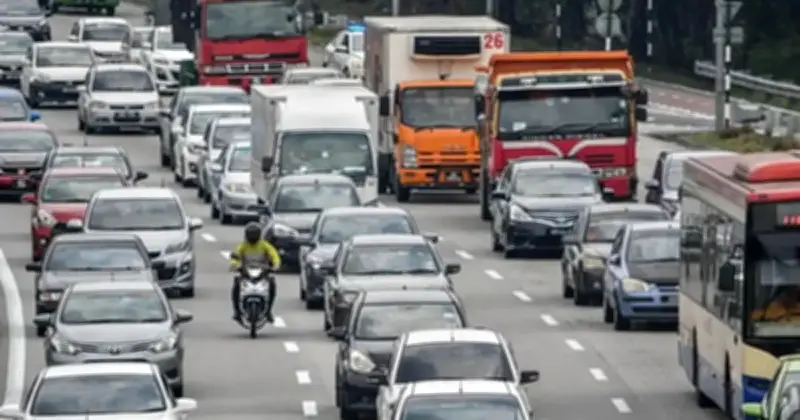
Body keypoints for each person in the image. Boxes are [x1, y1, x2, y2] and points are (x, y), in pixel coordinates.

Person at [229, 222, 282, 322]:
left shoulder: (265, 245)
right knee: (236, 284)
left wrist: (276, 265)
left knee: (272, 283)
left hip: (262, 271)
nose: (252, 238)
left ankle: (268, 311)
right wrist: (235, 265)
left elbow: (274, 255)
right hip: (246, 271)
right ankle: (237, 312)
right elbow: (236, 256)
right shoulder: (243, 246)